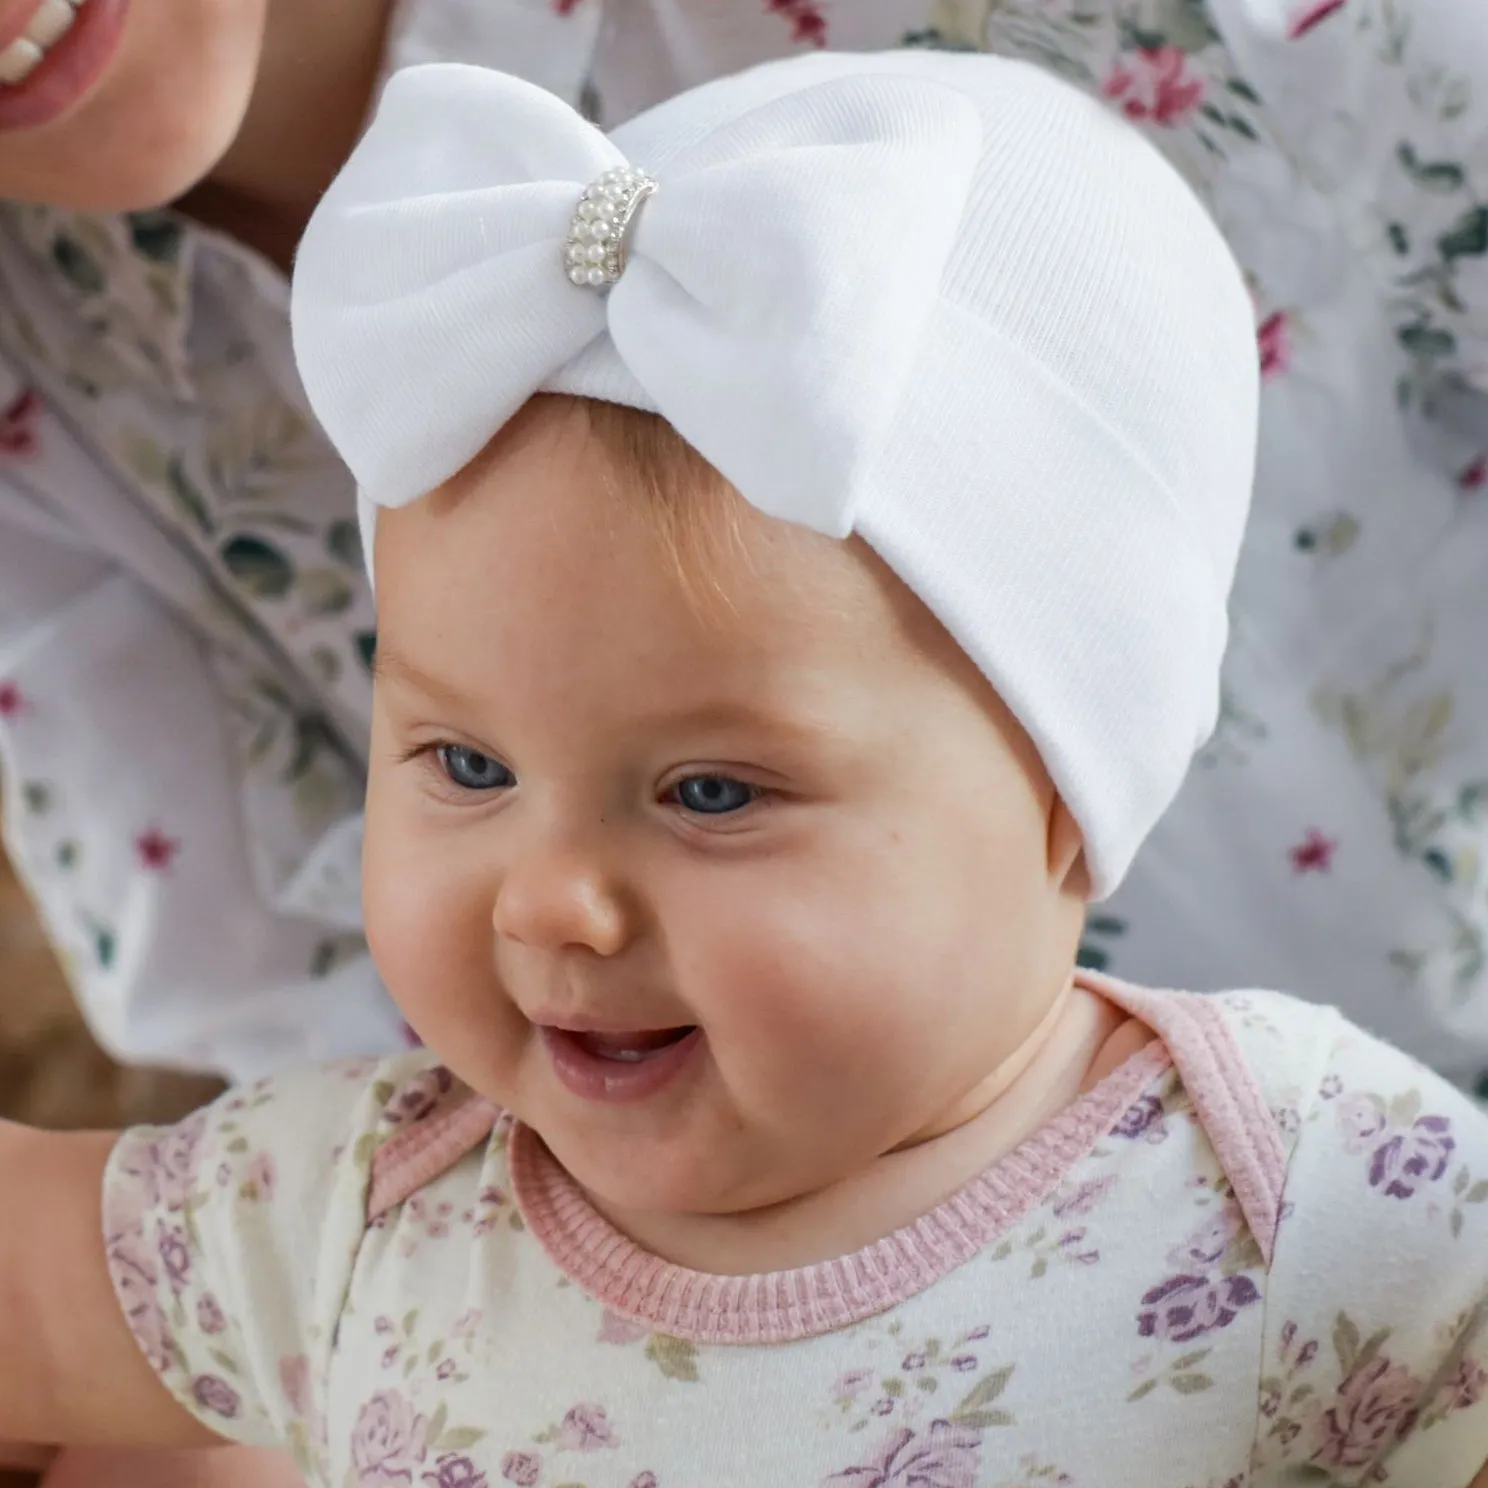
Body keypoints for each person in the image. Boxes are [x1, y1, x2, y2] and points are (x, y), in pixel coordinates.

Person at [5, 48, 1488, 1487]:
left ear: (1059, 799)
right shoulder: (345, 1212)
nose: (554, 904)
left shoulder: (1296, 1189)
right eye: (466, 763)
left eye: (709, 793)